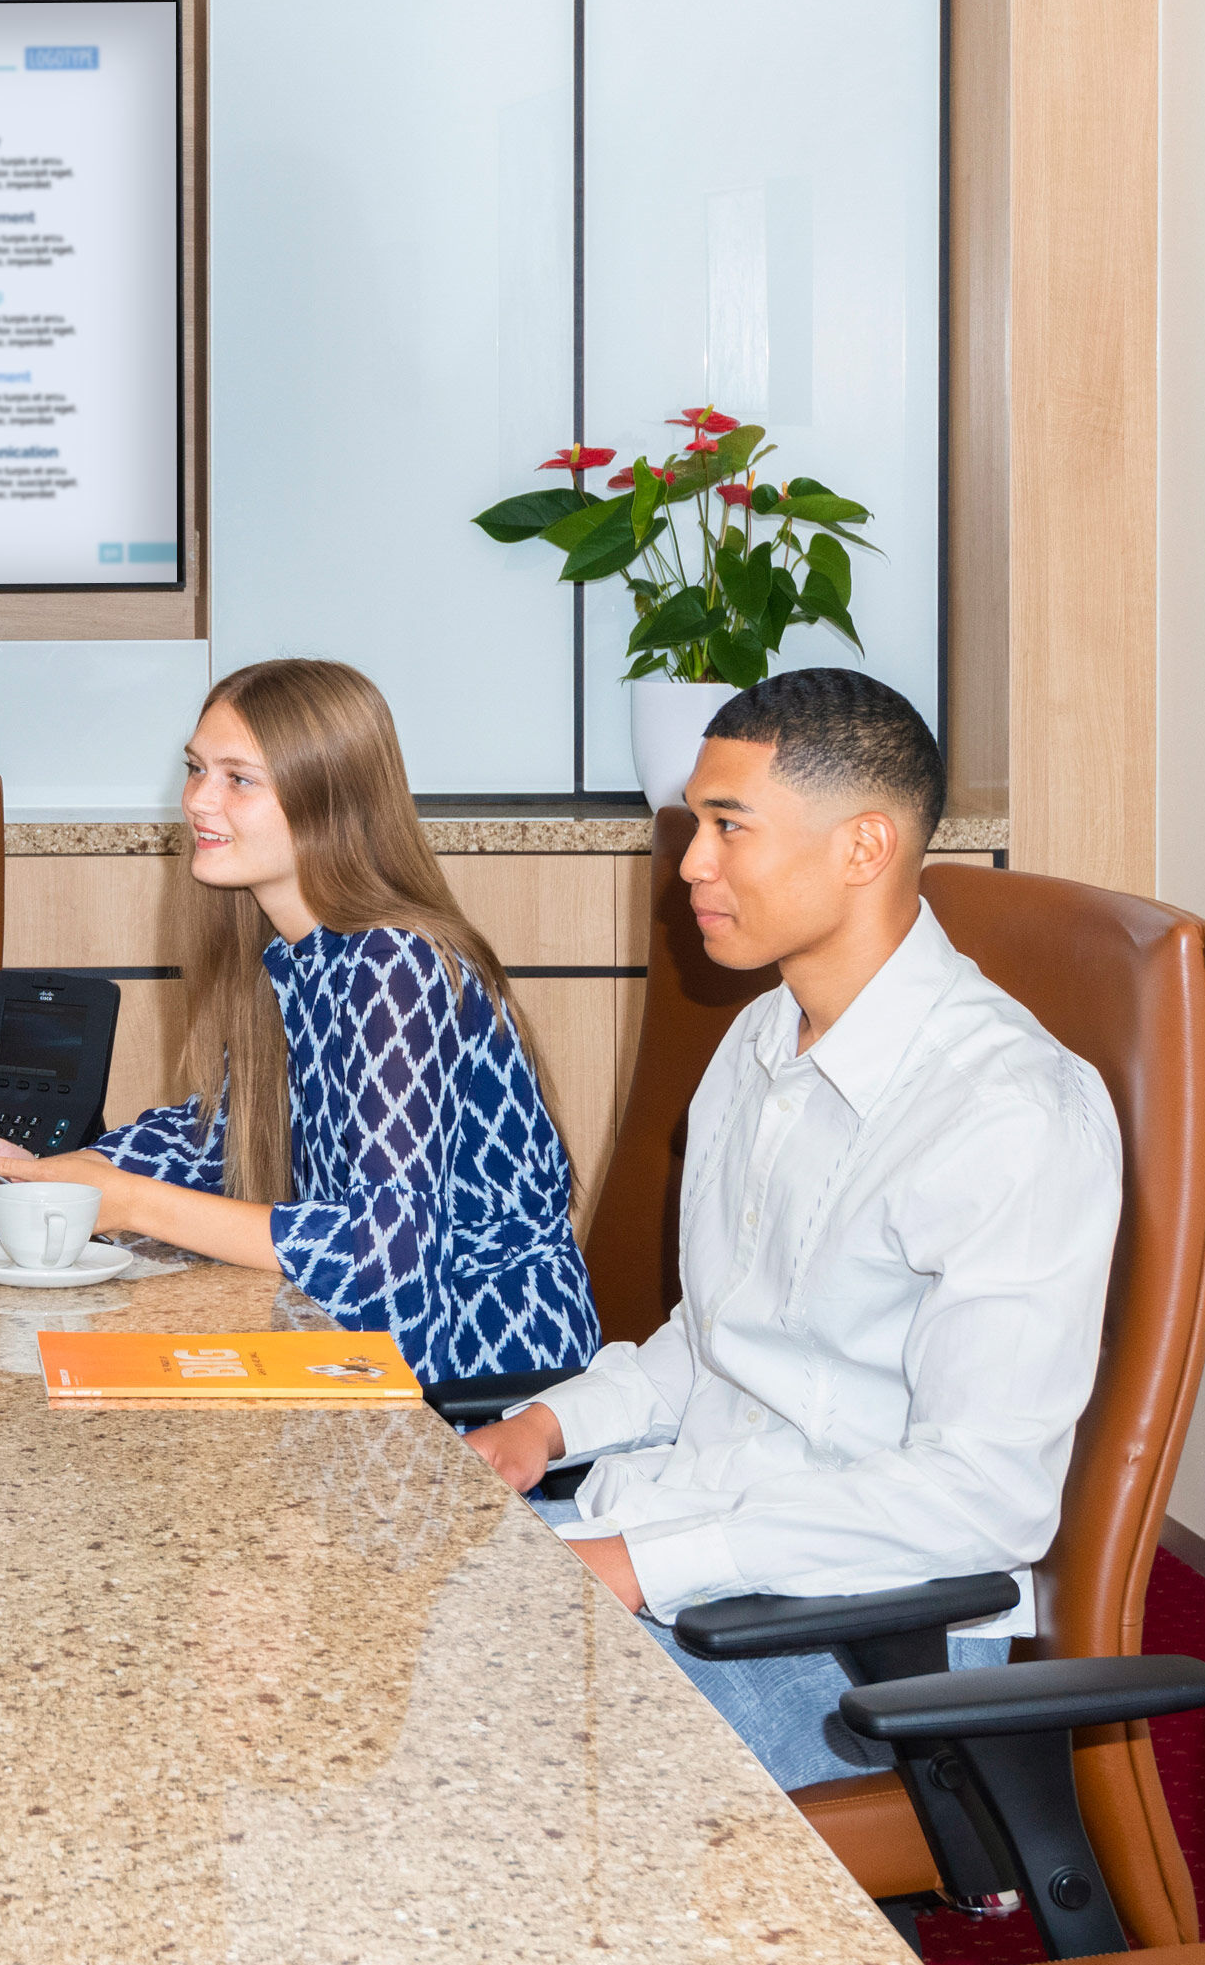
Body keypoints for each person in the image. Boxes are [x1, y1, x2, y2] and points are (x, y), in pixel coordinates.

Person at [462, 668, 1121, 1789]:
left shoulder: (1007, 1112)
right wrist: (543, 1431)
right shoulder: (762, 1038)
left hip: (855, 1628)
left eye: (728, 828)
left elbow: (980, 1498)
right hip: (703, 1539)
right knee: (365, 1654)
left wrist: (642, 1562)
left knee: (464, 1769)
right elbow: (719, 1337)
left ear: (863, 847)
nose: (691, 866)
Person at [0, 656, 595, 1385]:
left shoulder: (397, 965)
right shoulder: (290, 955)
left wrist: (134, 1203)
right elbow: (226, 1137)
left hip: (480, 1380)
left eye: (238, 779)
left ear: (331, 802)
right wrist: (72, 1177)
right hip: (354, 1360)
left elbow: (389, 1258)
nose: (198, 801)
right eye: (195, 769)